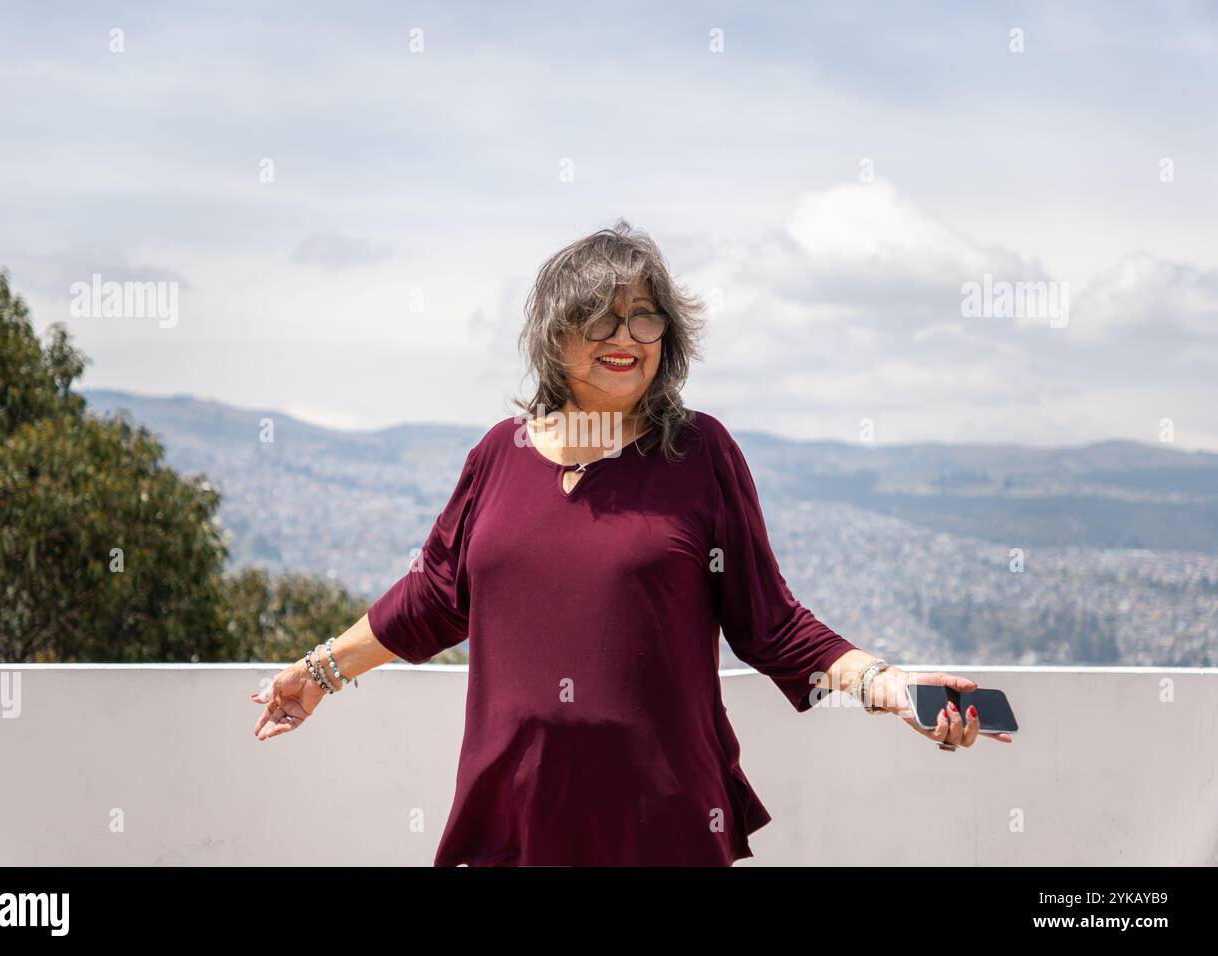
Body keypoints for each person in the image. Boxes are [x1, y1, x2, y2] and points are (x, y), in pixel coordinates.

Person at [252, 219, 1013, 866]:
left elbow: (772, 625)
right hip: (511, 818)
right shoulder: (497, 455)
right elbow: (433, 597)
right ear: (556, 335)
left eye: (644, 317)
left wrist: (894, 689)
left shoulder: (702, 455)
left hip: (664, 824)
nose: (626, 339)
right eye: (601, 319)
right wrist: (319, 672)